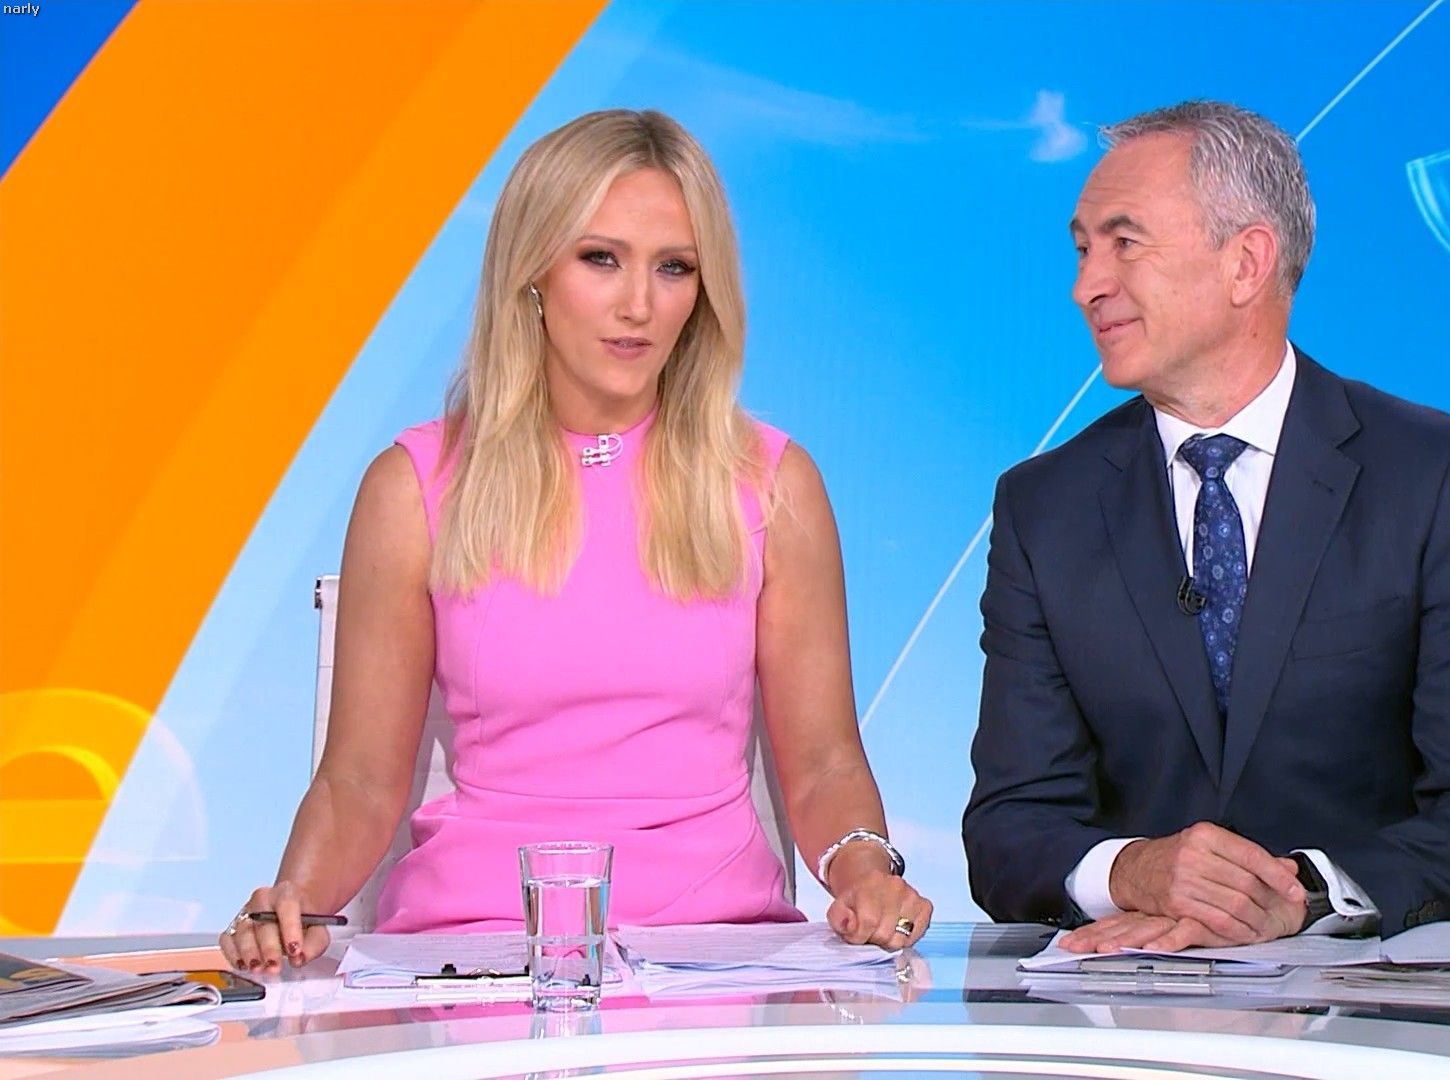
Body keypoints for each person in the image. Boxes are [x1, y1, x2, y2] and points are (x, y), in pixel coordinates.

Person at [220, 109, 930, 975]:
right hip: (474, 954)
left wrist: (867, 874)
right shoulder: (413, 486)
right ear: (533, 270)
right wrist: (292, 904)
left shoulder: (775, 484)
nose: (639, 305)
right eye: (601, 258)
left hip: (715, 956)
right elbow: (360, 782)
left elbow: (822, 764)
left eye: (674, 268)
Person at [963, 101, 1450, 950]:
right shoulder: (1044, 508)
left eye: (1124, 243)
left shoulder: (1437, 478)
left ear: (1246, 262)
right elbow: (1009, 828)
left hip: (1383, 1000)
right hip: (1139, 1000)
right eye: (1082, 249)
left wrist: (1305, 894)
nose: (1087, 285)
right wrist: (1129, 870)